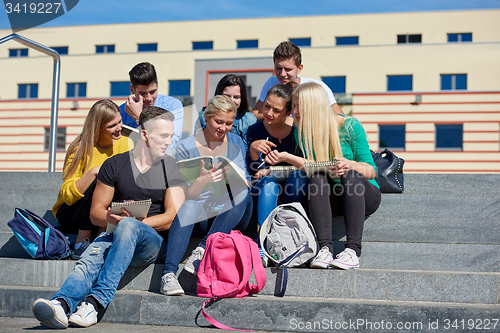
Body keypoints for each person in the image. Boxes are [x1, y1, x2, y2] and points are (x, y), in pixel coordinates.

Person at [33, 107, 191, 329]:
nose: (169, 142)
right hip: (115, 234)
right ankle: (61, 303)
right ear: (145, 134)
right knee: (94, 253)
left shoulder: (170, 167)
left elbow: (170, 218)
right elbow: (95, 213)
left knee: (126, 226)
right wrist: (110, 216)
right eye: (164, 136)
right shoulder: (114, 165)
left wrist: (132, 224)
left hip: (151, 243)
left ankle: (95, 302)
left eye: (171, 136)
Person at [286, 82, 381, 270]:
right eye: (294, 106)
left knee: (350, 176)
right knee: (317, 176)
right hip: (331, 197)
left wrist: (351, 165)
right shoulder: (301, 132)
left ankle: (353, 251)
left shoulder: (350, 126)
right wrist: (288, 158)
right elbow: (312, 167)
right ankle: (324, 249)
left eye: (299, 107)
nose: (294, 112)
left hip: (362, 193)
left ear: (313, 106)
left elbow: (372, 171)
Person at [176, 95, 253, 275]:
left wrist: (234, 178)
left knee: (243, 192)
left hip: (231, 212)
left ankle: (203, 248)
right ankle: (204, 248)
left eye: (229, 124)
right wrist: (203, 180)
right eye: (219, 122)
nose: (224, 128)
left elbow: (247, 181)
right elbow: (186, 196)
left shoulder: (236, 141)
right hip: (202, 212)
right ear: (206, 117)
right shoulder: (186, 146)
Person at [52, 100, 133, 260]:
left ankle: (100, 238)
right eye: (112, 126)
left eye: (120, 122)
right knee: (101, 177)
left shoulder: (126, 144)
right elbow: (67, 196)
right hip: (72, 214)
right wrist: (94, 172)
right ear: (97, 127)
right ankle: (81, 243)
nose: (119, 128)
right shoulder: (79, 148)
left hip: (104, 215)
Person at [246, 83, 308, 231]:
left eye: (276, 110)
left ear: (288, 113)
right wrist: (253, 151)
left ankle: (282, 226)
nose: (269, 112)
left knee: (300, 178)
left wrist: (285, 158)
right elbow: (252, 172)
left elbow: (306, 166)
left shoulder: (297, 133)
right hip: (264, 189)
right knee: (268, 183)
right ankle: (263, 240)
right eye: (267, 106)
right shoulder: (254, 131)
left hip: (291, 190)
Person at [252, 41, 344, 121]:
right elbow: (254, 115)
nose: (282, 74)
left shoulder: (317, 87)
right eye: (278, 68)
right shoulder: (271, 83)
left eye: (288, 69)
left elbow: (341, 118)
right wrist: (278, 116)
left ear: (299, 68)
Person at [119, 62, 184, 149]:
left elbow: (169, 147)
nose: (149, 98)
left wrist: (140, 118)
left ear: (157, 85)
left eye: (152, 92)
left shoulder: (173, 106)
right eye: (142, 94)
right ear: (132, 90)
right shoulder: (122, 112)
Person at [194, 74, 257, 148]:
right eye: (227, 96)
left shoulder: (249, 120)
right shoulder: (203, 115)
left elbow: (246, 152)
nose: (231, 101)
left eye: (236, 97)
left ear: (242, 99)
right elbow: (197, 144)